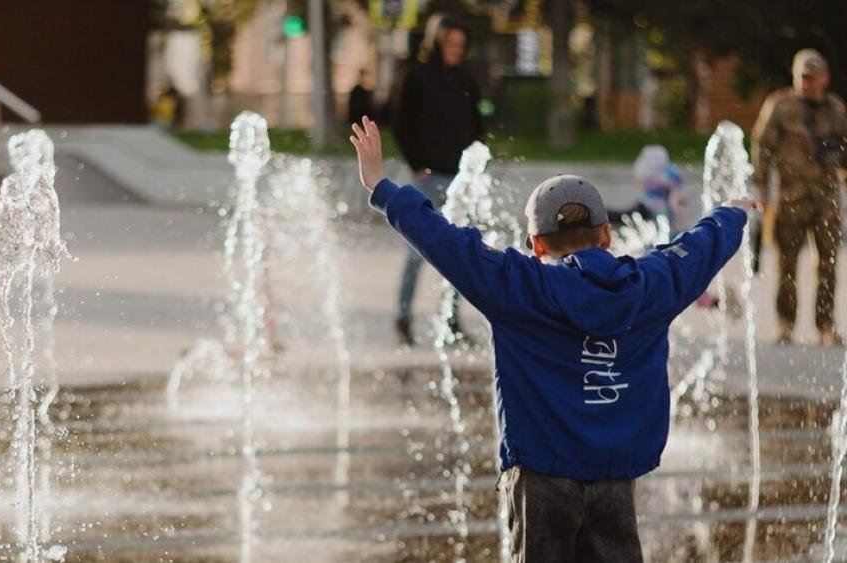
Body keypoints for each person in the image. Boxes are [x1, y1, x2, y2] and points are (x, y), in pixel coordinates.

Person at [350, 116, 755, 561]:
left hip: (541, 478)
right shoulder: (649, 285)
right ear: (606, 235)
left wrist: (382, 185)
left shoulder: (516, 286)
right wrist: (731, 214)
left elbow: (446, 242)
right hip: (616, 475)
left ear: (536, 245)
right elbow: (698, 248)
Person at [389, 15, 483, 346]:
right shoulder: (416, 77)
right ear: (437, 42)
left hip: (459, 178)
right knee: (417, 250)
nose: (457, 50)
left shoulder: (467, 80)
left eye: (462, 44)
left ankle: (452, 321)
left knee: (461, 250)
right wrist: (417, 165)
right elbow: (401, 123)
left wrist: (475, 166)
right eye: (451, 43)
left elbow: (476, 124)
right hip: (427, 176)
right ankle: (403, 318)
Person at [752, 48, 847, 346]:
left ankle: (825, 327)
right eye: (803, 77)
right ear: (795, 77)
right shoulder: (780, 106)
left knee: (828, 263)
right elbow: (762, 145)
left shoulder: (836, 109)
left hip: (826, 199)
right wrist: (762, 188)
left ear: (825, 78)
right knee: (787, 265)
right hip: (790, 198)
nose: (808, 83)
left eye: (814, 77)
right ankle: (785, 324)